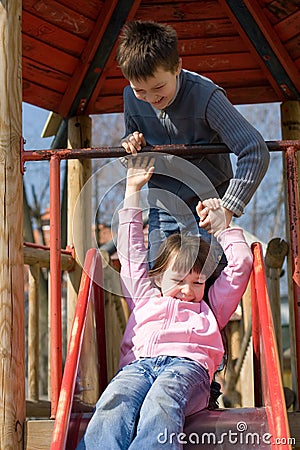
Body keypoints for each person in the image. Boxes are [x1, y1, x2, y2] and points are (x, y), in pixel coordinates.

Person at [77, 156, 253, 450]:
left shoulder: (210, 307)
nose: (187, 290)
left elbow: (241, 264)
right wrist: (132, 191)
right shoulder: (144, 297)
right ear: (158, 277)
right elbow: (131, 251)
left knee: (162, 399)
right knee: (114, 400)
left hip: (187, 370)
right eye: (178, 280)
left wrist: (224, 227)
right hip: (138, 367)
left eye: (197, 282)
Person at [117, 20, 270, 263]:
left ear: (177, 67)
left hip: (207, 204)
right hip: (163, 205)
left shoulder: (205, 96)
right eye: (140, 91)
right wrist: (131, 141)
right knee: (161, 280)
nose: (150, 98)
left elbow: (254, 150)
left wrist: (228, 207)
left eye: (158, 87)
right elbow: (135, 143)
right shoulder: (131, 98)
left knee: (206, 282)